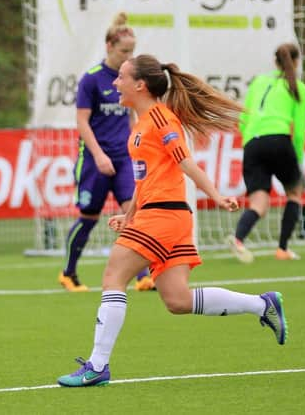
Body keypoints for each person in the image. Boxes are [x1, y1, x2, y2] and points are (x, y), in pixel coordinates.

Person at [57, 54, 288, 387]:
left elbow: (186, 163)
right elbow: (144, 180)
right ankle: (261, 304)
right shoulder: (139, 126)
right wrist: (130, 214)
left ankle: (97, 365)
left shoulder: (162, 119)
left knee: (113, 275)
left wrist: (216, 194)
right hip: (162, 215)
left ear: (140, 85)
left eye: (121, 77)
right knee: (178, 301)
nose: (114, 83)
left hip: (163, 216)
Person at [59, 12, 154, 292]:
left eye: (132, 51)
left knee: (134, 214)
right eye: (125, 51)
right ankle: (68, 273)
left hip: (124, 158)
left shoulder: (128, 78)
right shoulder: (92, 80)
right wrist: (99, 155)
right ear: (109, 47)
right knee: (88, 218)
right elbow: (82, 121)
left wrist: (138, 145)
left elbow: (130, 117)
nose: (129, 56)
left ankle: (142, 276)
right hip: (94, 158)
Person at [226, 43, 305, 263]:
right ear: (297, 61)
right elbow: (299, 129)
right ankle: (282, 249)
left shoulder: (259, 82)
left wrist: (248, 141)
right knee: (294, 193)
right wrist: (297, 158)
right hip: (279, 141)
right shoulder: (298, 87)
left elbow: (243, 117)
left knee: (259, 204)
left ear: (275, 62)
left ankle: (238, 239)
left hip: (253, 144)